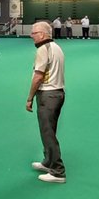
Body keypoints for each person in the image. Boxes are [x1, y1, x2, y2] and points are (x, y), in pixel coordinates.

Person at [26, 21, 66, 184]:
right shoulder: (56, 47)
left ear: (42, 34)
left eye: (34, 33)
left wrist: (29, 98)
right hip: (58, 94)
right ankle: (48, 162)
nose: (31, 36)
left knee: (47, 133)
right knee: (50, 131)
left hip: (48, 95)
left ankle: (58, 172)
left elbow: (38, 77)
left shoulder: (43, 49)